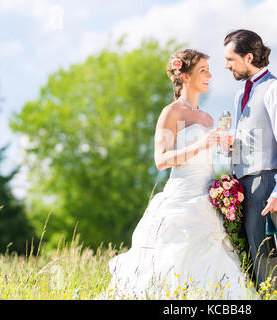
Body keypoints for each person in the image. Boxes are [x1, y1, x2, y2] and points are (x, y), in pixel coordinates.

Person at [100, 49, 249, 300]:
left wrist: (225, 146)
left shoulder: (207, 117)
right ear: (186, 77)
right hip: (181, 198)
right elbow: (161, 160)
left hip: (207, 201)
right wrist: (201, 144)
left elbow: (207, 158)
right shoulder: (172, 113)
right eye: (203, 70)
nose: (210, 75)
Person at [224, 29, 277, 296]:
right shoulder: (239, 95)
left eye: (230, 59)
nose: (226, 66)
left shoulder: (276, 90)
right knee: (247, 265)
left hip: (266, 184)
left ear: (248, 57)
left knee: (270, 263)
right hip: (241, 186)